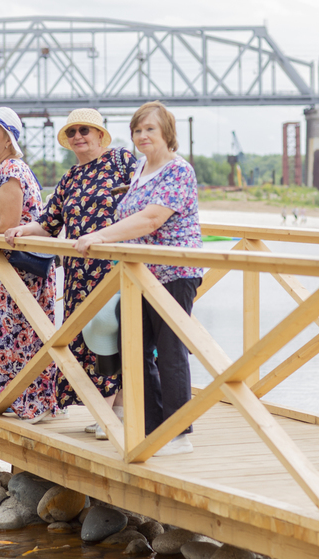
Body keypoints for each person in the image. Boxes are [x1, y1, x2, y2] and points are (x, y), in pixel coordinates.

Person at [74, 101, 203, 456]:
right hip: (141, 274)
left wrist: (101, 235)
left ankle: (179, 433)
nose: (142, 136)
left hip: (174, 272)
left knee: (171, 351)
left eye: (150, 130)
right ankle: (151, 427)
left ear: (167, 134)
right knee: (137, 349)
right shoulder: (142, 169)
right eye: (137, 130)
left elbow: (151, 220)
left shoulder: (178, 171)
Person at [4, 108, 136, 437]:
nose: (78, 136)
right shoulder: (70, 178)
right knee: (92, 341)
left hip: (118, 267)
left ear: (100, 135)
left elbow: (145, 205)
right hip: (80, 272)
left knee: (117, 335)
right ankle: (113, 411)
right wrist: (24, 230)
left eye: (85, 130)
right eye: (73, 131)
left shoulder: (122, 161)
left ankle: (109, 413)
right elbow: (50, 222)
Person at [0, 107, 58, 423]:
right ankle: (7, 401)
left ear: (8, 139)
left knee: (20, 333)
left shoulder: (10, 170)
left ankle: (33, 403)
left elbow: (10, 222)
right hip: (8, 264)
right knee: (3, 332)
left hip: (25, 265)